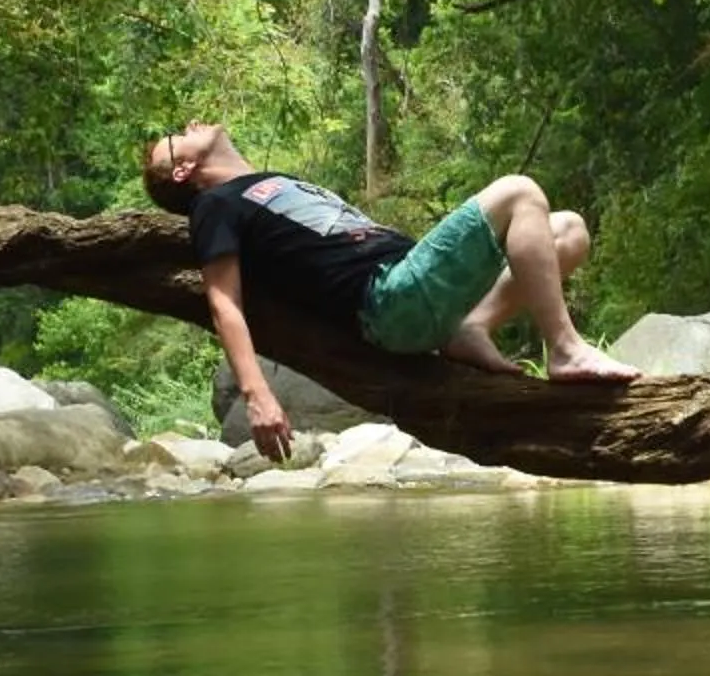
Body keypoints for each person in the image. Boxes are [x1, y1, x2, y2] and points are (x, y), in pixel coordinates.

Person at [142, 123, 640, 461]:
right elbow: (223, 301)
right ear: (183, 172)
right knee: (518, 190)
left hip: (410, 278)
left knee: (567, 231)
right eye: (174, 137)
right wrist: (258, 395)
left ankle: (472, 325)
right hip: (387, 298)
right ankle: (566, 350)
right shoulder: (215, 207)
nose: (187, 125)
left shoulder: (269, 185)